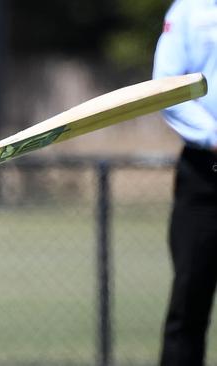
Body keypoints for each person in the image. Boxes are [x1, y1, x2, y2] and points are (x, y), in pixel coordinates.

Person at [153, 1, 217, 365]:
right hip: (206, 172)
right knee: (189, 303)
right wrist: (213, 135)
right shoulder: (189, 10)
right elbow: (167, 88)